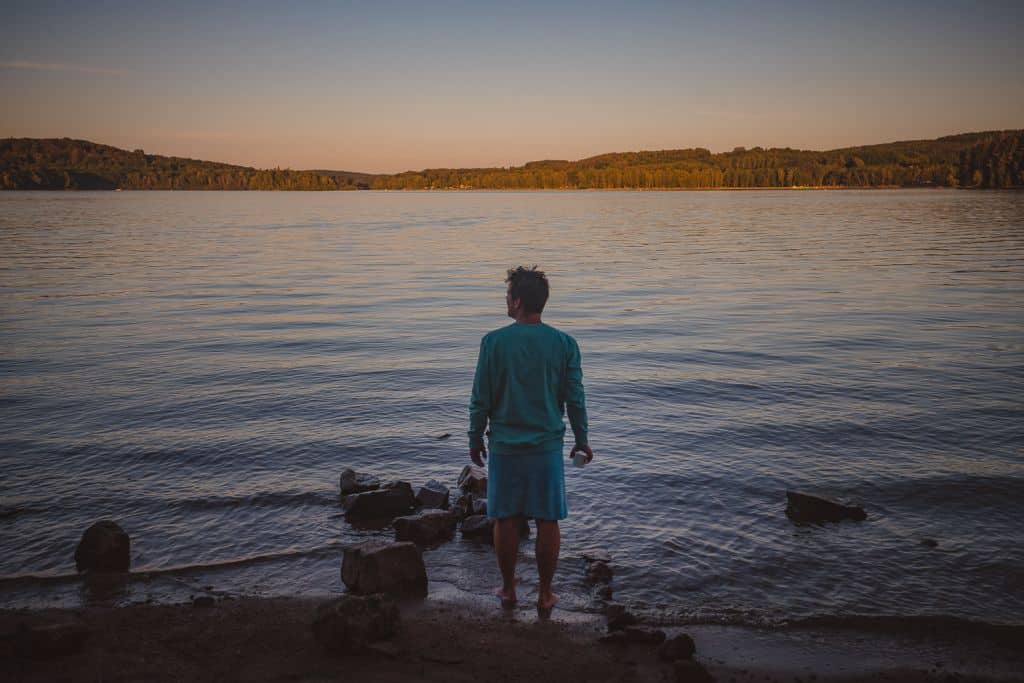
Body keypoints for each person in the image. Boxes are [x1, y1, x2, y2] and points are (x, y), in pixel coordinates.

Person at [468, 265, 593, 612]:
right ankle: (545, 594)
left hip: (505, 445)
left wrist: (474, 437)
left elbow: (481, 397)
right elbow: (575, 398)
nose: (506, 301)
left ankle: (509, 589)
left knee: (506, 517)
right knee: (547, 519)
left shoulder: (493, 343)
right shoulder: (565, 344)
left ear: (518, 301)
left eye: (508, 296)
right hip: (546, 448)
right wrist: (582, 439)